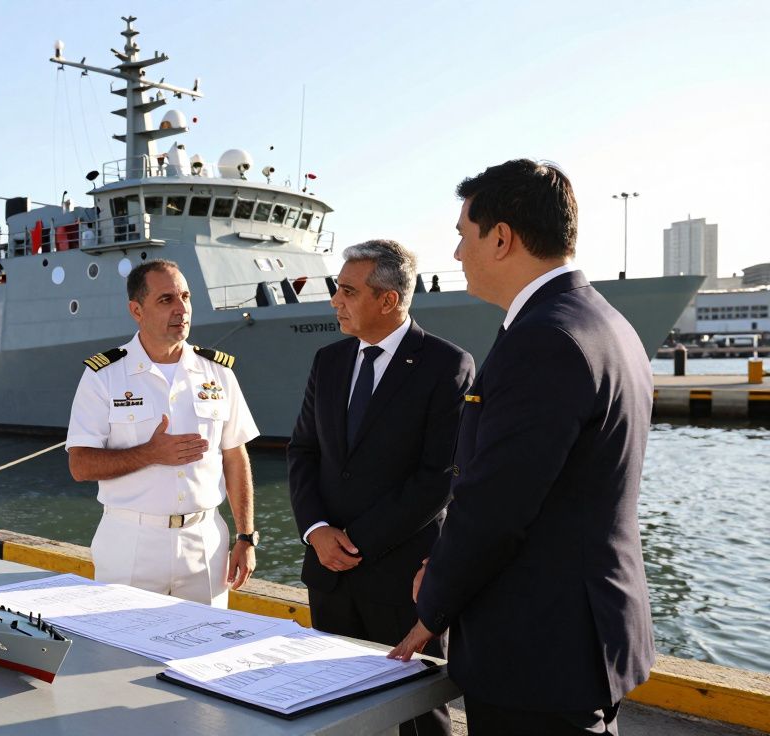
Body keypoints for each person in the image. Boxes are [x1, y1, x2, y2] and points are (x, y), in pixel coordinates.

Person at [389, 159, 656, 735]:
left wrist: (434, 604)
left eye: (463, 235)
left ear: (501, 238)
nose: (457, 253)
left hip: (540, 646)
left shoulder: (543, 339)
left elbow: (497, 503)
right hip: (581, 631)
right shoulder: (604, 323)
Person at [288, 239, 473, 736]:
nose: (335, 300)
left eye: (347, 291)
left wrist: (356, 542)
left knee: (418, 716)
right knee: (332, 708)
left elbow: (438, 477)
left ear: (388, 299)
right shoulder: (328, 361)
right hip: (328, 575)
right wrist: (317, 531)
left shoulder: (447, 366)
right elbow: (303, 452)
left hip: (400, 580)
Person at [67, 259, 260, 607]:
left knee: (205, 639)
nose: (181, 309)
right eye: (166, 299)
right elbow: (80, 466)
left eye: (185, 297)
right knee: (123, 639)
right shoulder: (104, 375)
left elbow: (235, 456)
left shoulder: (218, 372)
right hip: (131, 542)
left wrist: (246, 537)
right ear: (136, 310)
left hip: (204, 543)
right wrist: (150, 453)